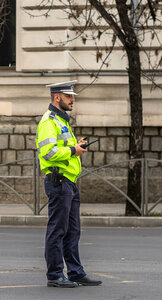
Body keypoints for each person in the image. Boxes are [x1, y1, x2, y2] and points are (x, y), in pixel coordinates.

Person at [36, 80, 102, 288]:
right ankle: (55, 275)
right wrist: (74, 150)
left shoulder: (62, 121)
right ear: (57, 97)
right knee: (58, 229)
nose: (72, 100)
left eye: (72, 96)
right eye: (69, 97)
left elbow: (63, 146)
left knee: (73, 230)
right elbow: (48, 152)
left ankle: (75, 272)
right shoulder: (48, 122)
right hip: (59, 182)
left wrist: (76, 145)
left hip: (69, 182)